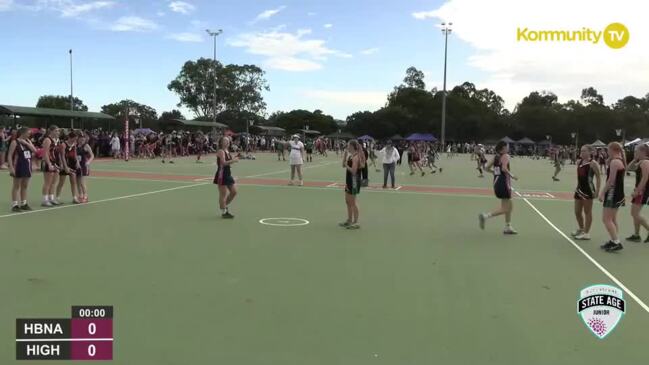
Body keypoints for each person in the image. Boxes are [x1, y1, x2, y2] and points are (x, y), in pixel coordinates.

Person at [479, 141, 519, 234]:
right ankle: (485, 216)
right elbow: (504, 168)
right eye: (507, 147)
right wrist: (512, 175)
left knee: (509, 205)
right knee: (506, 208)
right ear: (503, 148)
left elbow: (486, 168)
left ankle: (507, 227)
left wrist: (494, 172)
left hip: (497, 183)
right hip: (504, 183)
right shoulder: (505, 156)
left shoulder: (496, 157)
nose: (508, 148)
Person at [599, 142, 626, 252]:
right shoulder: (619, 161)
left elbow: (611, 181)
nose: (607, 152)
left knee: (606, 219)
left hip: (612, 193)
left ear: (613, 150)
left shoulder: (615, 162)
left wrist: (602, 192)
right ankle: (614, 239)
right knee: (612, 219)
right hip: (618, 193)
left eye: (608, 150)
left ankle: (616, 242)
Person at [571, 145, 601, 240]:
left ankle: (587, 233)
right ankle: (581, 228)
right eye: (581, 150)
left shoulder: (593, 163)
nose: (582, 152)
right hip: (579, 189)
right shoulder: (579, 162)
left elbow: (598, 177)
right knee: (577, 212)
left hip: (588, 190)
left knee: (587, 212)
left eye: (584, 151)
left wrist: (597, 190)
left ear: (590, 152)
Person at [7, 127, 37, 212]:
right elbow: (9, 155)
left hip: (27, 165)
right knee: (16, 186)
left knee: (25, 185)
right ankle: (15, 204)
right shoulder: (14, 142)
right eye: (28, 133)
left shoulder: (28, 141)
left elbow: (35, 151)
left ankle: (24, 203)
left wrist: (26, 143)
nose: (29, 134)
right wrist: (11, 167)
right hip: (18, 166)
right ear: (23, 133)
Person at [625, 144, 649, 243]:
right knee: (635, 213)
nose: (635, 153)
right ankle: (636, 234)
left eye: (636, 151)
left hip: (642, 191)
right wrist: (635, 159)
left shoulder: (645, 162)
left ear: (642, 152)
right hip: (639, 190)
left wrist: (638, 191)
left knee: (634, 213)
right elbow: (628, 168)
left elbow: (645, 178)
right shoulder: (640, 162)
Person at [339, 140, 364, 230]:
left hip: (354, 181)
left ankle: (356, 222)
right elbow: (343, 165)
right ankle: (349, 220)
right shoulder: (351, 156)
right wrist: (345, 156)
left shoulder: (356, 157)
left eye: (348, 145)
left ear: (352, 146)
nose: (347, 147)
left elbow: (353, 171)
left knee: (353, 202)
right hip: (349, 180)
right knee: (347, 201)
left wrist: (346, 165)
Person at [214, 136, 238, 219]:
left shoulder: (227, 151)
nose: (227, 142)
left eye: (228, 141)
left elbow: (228, 164)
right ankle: (224, 212)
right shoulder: (221, 151)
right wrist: (233, 160)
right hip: (221, 174)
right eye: (225, 141)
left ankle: (224, 206)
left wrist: (234, 159)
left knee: (234, 192)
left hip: (227, 174)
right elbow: (223, 163)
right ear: (221, 142)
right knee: (223, 194)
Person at [55, 131, 81, 204]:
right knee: (61, 182)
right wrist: (65, 166)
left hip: (72, 164)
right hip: (65, 164)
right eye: (74, 139)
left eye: (76, 139)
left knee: (73, 181)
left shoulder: (74, 144)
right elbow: (62, 156)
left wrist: (77, 162)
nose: (75, 140)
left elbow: (75, 154)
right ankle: (57, 198)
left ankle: (74, 198)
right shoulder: (63, 145)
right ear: (70, 137)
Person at [41, 125, 61, 206]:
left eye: (58, 131)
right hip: (47, 162)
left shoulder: (57, 140)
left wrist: (59, 163)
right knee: (47, 182)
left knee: (54, 182)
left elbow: (57, 153)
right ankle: (45, 200)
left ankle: (51, 198)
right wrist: (49, 163)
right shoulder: (47, 140)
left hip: (55, 162)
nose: (58, 132)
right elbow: (45, 153)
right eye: (56, 131)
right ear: (51, 131)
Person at [76, 133, 94, 203]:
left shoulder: (86, 146)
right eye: (81, 137)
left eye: (83, 137)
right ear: (78, 138)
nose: (82, 138)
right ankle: (80, 195)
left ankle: (85, 196)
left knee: (82, 182)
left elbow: (92, 155)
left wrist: (88, 162)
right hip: (77, 165)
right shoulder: (76, 145)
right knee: (77, 182)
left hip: (84, 165)